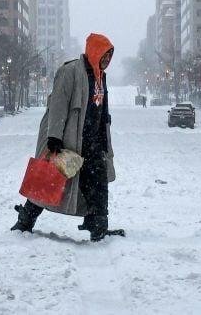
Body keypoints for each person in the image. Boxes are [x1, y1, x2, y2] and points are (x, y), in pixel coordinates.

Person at [12, 33, 123, 241]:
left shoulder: (101, 77)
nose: (107, 61)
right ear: (94, 51)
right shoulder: (70, 71)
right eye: (105, 55)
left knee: (98, 184)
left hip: (93, 143)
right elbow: (58, 104)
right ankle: (25, 220)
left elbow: (101, 111)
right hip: (69, 139)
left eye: (110, 56)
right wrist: (54, 136)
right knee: (50, 180)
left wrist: (104, 142)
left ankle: (99, 228)